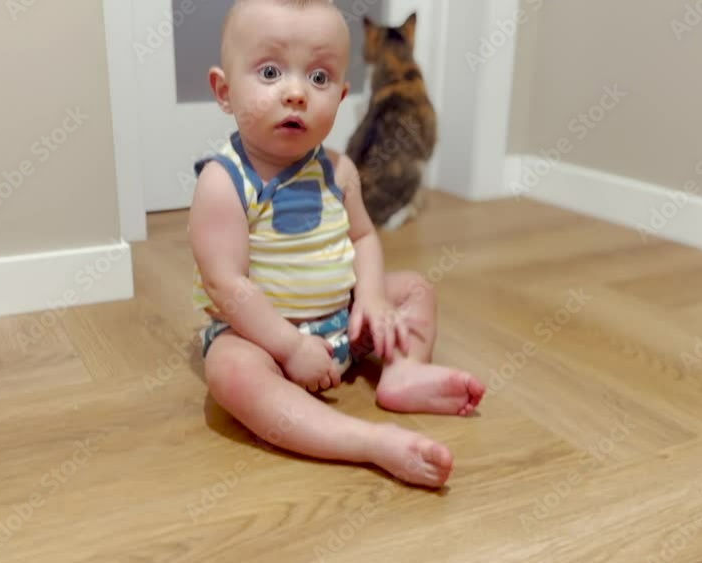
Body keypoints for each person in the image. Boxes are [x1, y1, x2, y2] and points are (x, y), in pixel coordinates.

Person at [188, 0, 484, 488]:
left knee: (412, 290)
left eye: (319, 78)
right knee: (230, 371)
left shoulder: (338, 170)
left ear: (343, 95)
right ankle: (365, 441)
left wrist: (369, 297)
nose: (297, 93)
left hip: (342, 320)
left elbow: (364, 236)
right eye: (269, 71)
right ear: (224, 90)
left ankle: (402, 373)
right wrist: (288, 347)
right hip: (263, 339)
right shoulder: (224, 182)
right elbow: (227, 285)